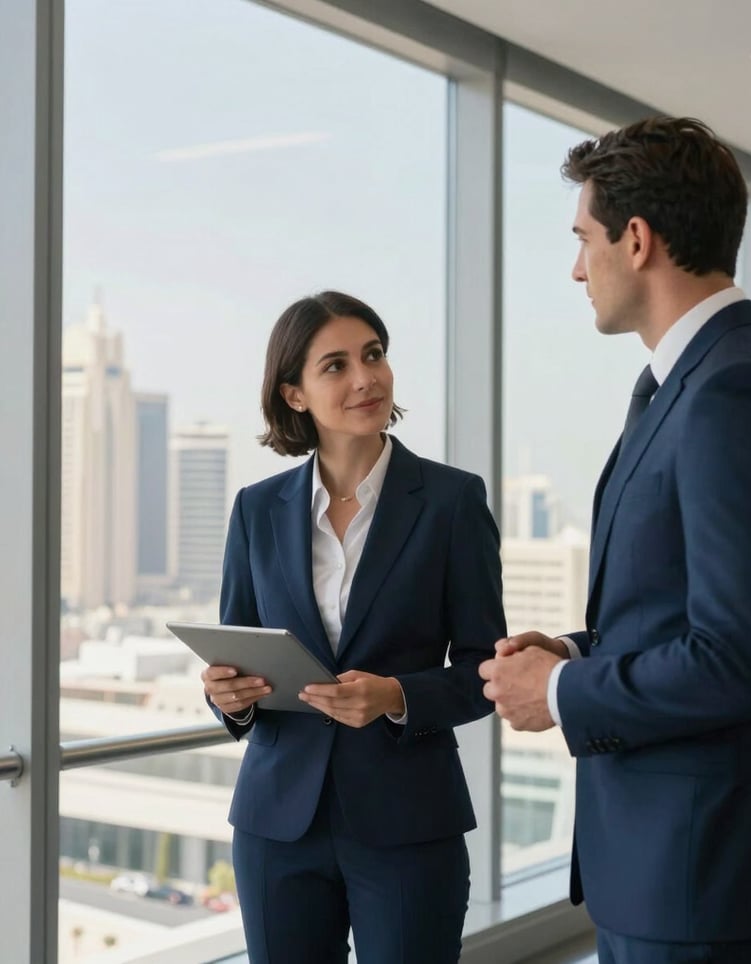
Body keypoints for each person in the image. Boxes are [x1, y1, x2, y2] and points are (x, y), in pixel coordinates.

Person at [479, 117, 751, 964]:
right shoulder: (685, 382)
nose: (577, 267)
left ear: (636, 240)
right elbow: (693, 604)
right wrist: (571, 648)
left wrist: (565, 692)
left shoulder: (729, 391)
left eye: (584, 239)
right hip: (660, 869)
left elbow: (739, 655)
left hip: (698, 881)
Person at [201, 290, 506, 964]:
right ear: (295, 394)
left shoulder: (452, 502)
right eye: (335, 365)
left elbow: (487, 670)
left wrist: (396, 697)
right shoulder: (257, 510)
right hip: (277, 824)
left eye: (373, 355)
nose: (366, 377)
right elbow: (240, 652)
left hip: (407, 822)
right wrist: (227, 696)